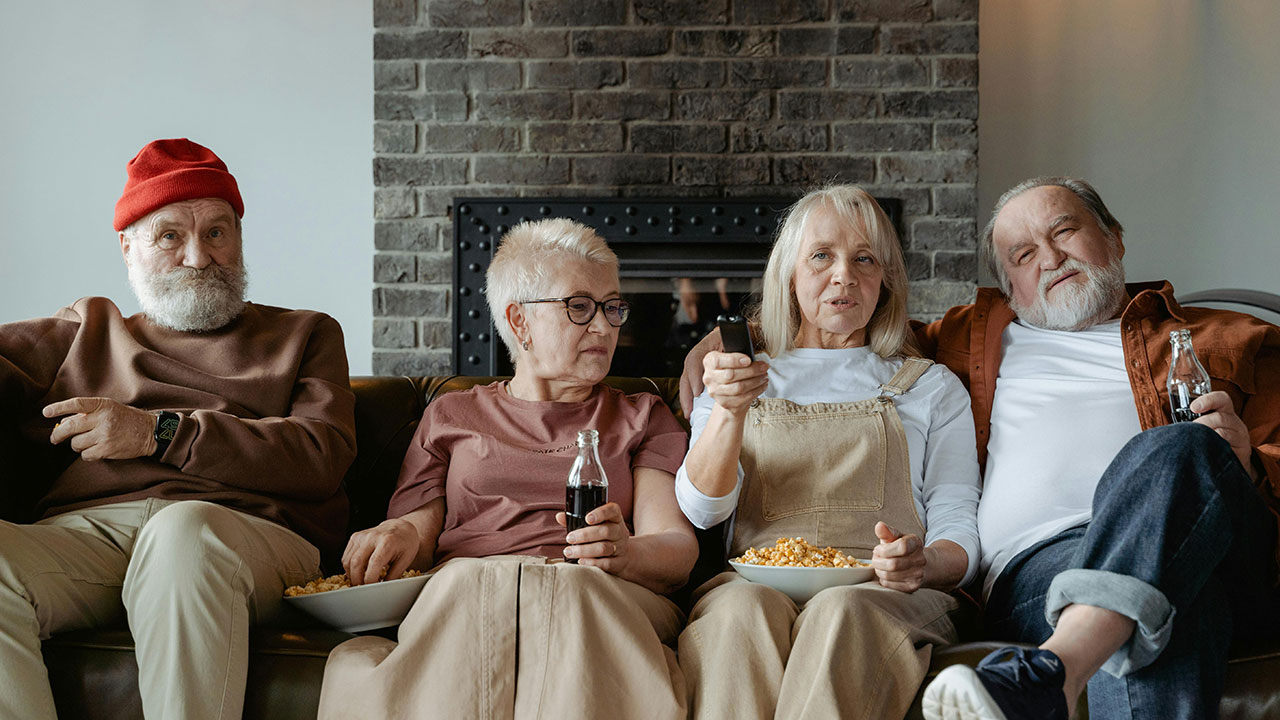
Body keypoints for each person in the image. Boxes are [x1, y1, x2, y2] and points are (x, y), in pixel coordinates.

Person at [685, 176, 1280, 719]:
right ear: (1008, 285)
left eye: (1064, 231)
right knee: (1175, 605)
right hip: (1042, 568)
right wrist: (722, 341)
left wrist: (1247, 463)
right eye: (1023, 254)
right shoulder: (973, 337)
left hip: (1214, 538)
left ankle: (1051, 672)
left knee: (1176, 448)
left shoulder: (1230, 334)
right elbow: (840, 339)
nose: (1049, 259)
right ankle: (1061, 663)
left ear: (1114, 238)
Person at [0, 138, 357, 720]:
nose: (198, 256)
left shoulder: (306, 334)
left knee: (183, 535)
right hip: (92, 535)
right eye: (170, 236)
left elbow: (319, 456)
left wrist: (158, 433)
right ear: (127, 248)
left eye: (217, 232)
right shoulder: (82, 332)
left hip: (244, 532)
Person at [317, 218, 698, 720]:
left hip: (597, 594)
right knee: (466, 586)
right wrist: (394, 535)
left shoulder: (642, 415)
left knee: (567, 593)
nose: (605, 326)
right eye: (580, 307)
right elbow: (419, 531)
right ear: (519, 322)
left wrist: (623, 553)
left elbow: (675, 548)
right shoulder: (450, 415)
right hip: (471, 592)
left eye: (612, 307)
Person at [675, 185, 981, 720]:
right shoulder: (737, 375)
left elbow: (959, 526)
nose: (845, 275)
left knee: (840, 608)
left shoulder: (930, 387)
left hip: (883, 591)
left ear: (885, 278)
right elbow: (703, 510)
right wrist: (727, 411)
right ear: (788, 274)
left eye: (864, 258)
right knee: (738, 612)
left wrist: (922, 562)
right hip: (755, 580)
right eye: (822, 256)